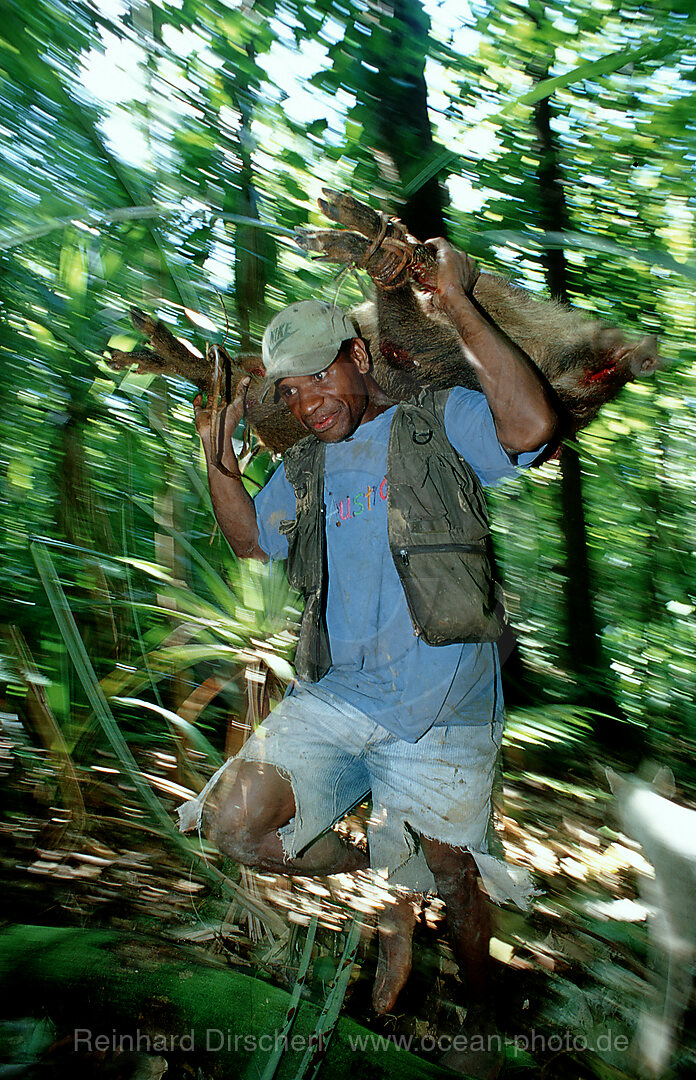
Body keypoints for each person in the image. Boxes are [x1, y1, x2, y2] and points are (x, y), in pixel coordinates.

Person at [180, 238, 557, 1075]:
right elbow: (251, 541)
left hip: (444, 705)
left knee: (460, 877)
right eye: (290, 390)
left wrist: (456, 301)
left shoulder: (438, 424)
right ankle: (391, 881)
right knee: (233, 824)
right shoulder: (307, 463)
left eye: (320, 375)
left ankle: (484, 1014)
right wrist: (216, 448)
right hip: (340, 695)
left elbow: (532, 427)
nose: (308, 401)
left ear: (358, 356)